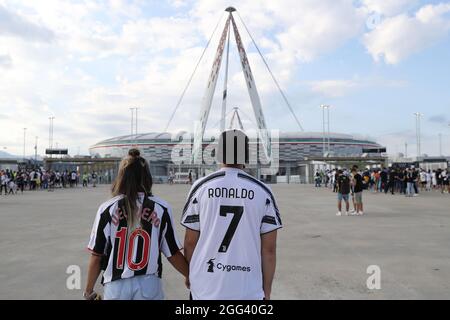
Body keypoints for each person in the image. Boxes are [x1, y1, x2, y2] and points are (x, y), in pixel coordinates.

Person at [181, 129, 282, 300]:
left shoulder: (201, 187)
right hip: (247, 290)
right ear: (246, 155)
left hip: (205, 289)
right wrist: (267, 290)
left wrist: (190, 274)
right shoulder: (263, 191)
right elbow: (269, 250)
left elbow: (190, 242)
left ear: (219, 154)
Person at [84, 149, 189, 300]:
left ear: (121, 177)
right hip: (149, 284)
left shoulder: (107, 209)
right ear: (147, 177)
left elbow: (97, 255)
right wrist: (189, 275)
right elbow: (172, 253)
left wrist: (88, 290)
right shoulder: (161, 208)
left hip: (116, 286)